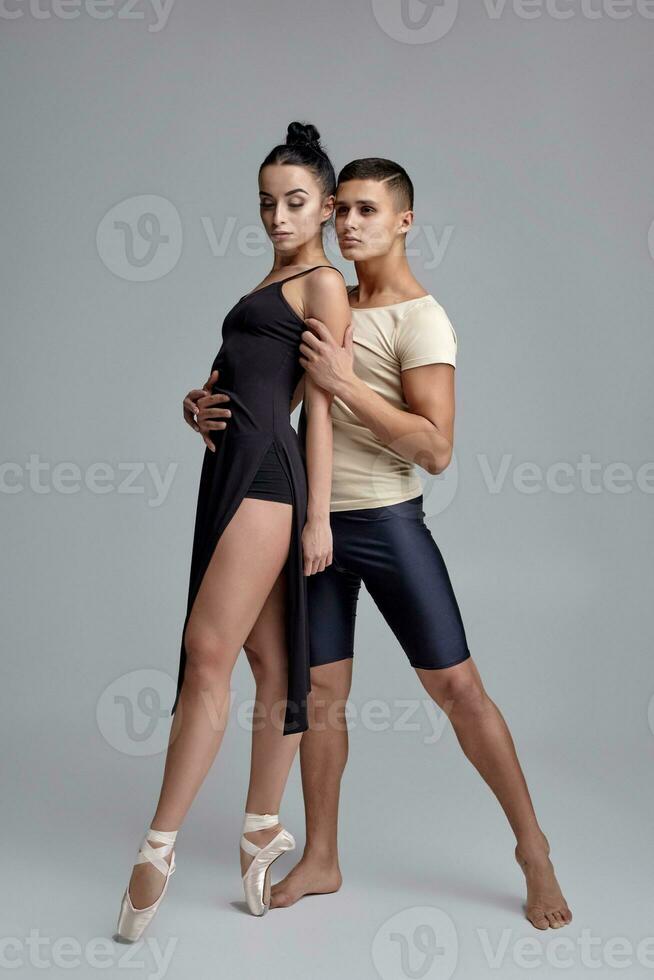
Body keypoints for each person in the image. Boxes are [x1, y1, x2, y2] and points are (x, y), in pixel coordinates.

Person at [193, 157, 572, 931]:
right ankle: (324, 857)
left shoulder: (421, 319)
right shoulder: (320, 294)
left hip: (389, 524)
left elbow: (435, 449)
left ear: (404, 220)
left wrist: (347, 383)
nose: (350, 225)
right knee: (320, 696)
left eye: (368, 211)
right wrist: (201, 405)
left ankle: (533, 850)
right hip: (311, 521)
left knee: (457, 691)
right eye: (344, 212)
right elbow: (269, 394)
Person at [114, 121, 350, 942]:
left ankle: (159, 849)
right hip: (231, 463)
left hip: (266, 478)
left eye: (293, 203)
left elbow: (316, 408)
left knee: (206, 651)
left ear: (324, 205)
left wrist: (319, 516)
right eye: (265, 204)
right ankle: (260, 829)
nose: (277, 218)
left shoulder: (323, 283)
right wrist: (196, 402)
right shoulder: (274, 276)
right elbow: (251, 382)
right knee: (269, 659)